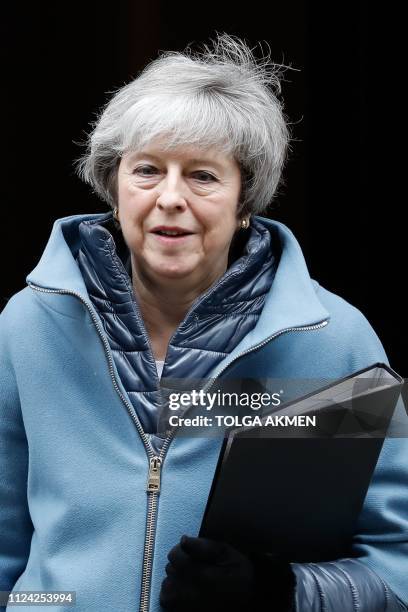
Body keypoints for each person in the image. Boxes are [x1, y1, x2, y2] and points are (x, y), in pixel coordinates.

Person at [0, 33, 407, 612]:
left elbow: (397, 566)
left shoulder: (334, 342)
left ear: (246, 203)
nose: (169, 197)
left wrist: (281, 592)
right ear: (115, 191)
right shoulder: (28, 325)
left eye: (202, 176)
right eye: (147, 170)